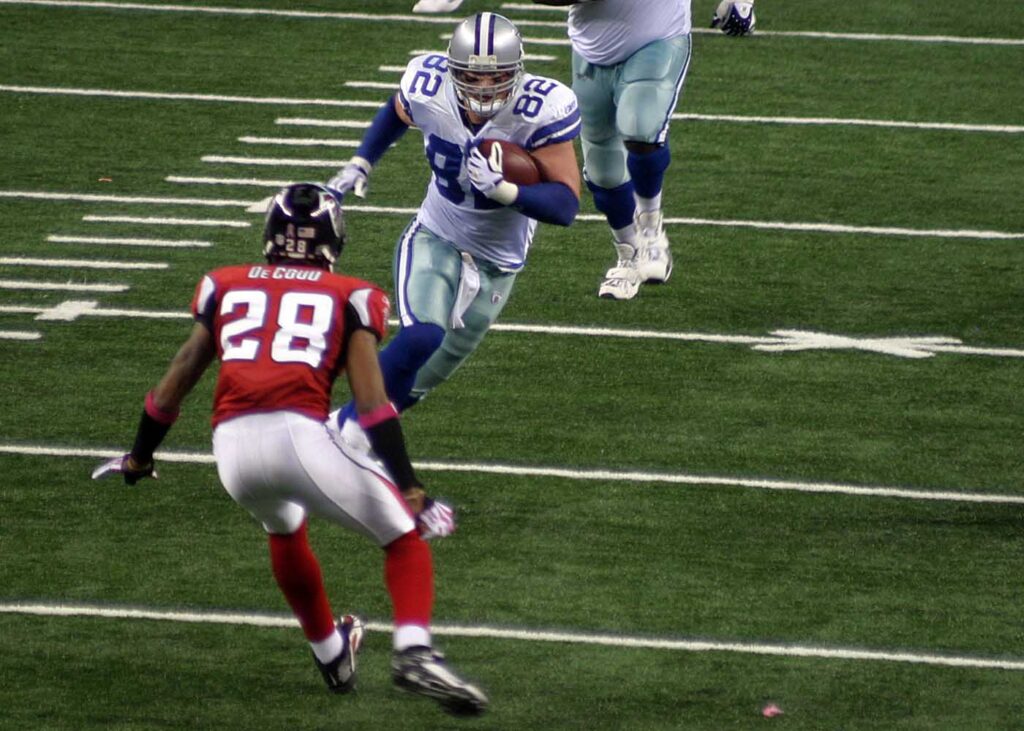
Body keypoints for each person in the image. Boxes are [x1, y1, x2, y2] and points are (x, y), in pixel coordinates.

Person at [90, 183, 488, 717]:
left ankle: (332, 655)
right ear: (333, 241)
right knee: (403, 536)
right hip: (297, 437)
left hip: (231, 451)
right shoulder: (351, 294)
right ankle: (413, 651)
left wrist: (139, 457)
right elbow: (372, 405)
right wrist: (411, 486)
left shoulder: (224, 284)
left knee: (283, 526)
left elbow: (175, 382)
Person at [327, 12, 580, 435]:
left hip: (499, 263)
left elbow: (566, 204)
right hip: (435, 234)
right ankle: (332, 431)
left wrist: (508, 192)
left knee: (417, 384)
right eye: (472, 76)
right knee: (422, 336)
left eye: (496, 76)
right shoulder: (429, 86)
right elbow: (397, 111)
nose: (484, 86)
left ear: (517, 71)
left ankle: (350, 435)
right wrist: (362, 159)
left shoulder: (541, 108)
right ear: (452, 70)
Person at [531, 0, 694, 300]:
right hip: (591, 47)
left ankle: (650, 226)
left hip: (656, 36)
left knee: (641, 127)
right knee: (602, 173)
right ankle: (628, 255)